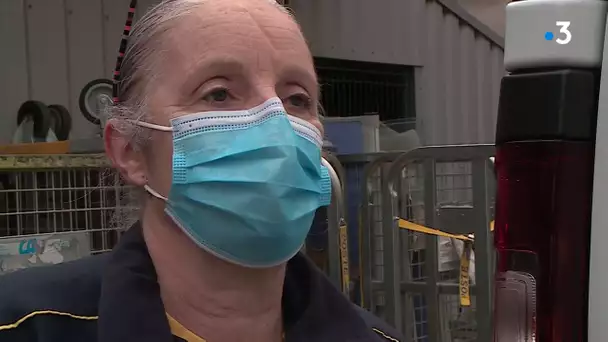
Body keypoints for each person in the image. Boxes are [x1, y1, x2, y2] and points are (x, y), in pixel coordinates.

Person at [0, 0, 404, 341]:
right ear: (129, 151)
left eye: (297, 99)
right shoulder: (23, 325)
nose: (275, 124)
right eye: (219, 93)